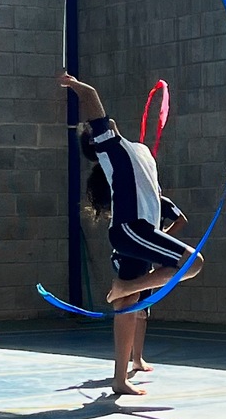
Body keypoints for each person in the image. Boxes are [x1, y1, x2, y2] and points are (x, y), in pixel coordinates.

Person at [60, 71, 203, 397]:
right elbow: (92, 98)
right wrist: (75, 85)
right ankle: (127, 286)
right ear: (99, 140)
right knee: (192, 263)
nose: (108, 123)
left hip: (142, 232)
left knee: (128, 304)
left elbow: (153, 195)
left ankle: (119, 378)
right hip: (131, 230)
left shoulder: (138, 151)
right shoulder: (109, 148)